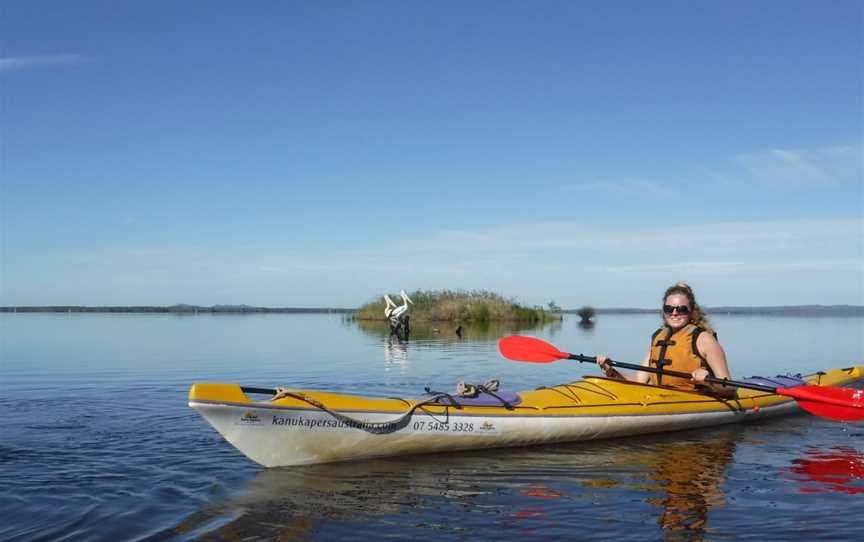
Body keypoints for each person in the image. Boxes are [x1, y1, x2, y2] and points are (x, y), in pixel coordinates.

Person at [597, 282, 736, 398]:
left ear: (692, 311)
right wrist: (612, 371)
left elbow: (730, 388)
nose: (674, 313)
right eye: (669, 308)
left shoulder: (704, 339)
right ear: (664, 311)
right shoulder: (659, 338)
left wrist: (708, 381)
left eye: (681, 309)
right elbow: (639, 380)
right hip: (661, 399)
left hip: (694, 400)